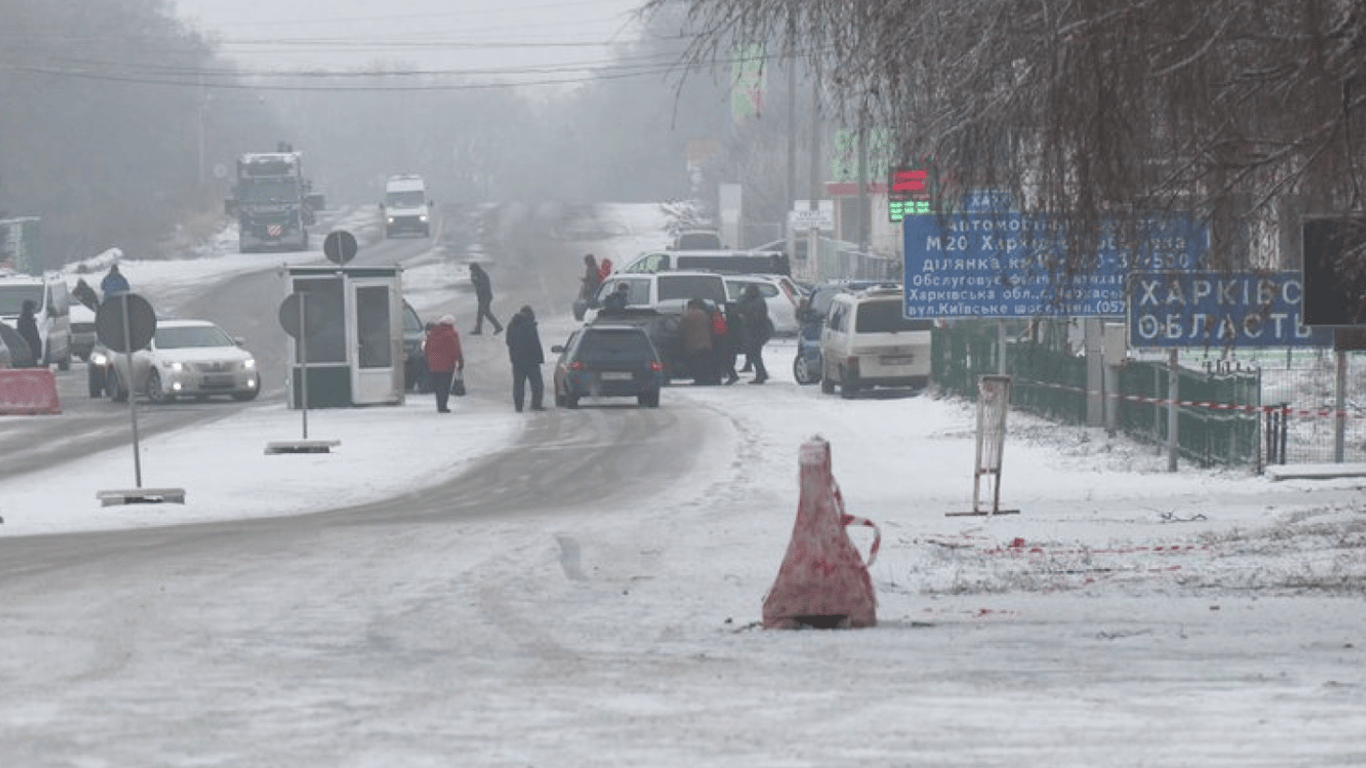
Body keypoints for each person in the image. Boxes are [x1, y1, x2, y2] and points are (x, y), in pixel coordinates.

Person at [505, 305, 545, 412]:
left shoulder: (512, 325)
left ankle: (518, 407)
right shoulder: (530, 325)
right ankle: (536, 404)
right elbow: (535, 343)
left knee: (518, 385)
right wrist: (539, 358)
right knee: (537, 384)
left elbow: (508, 341)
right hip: (532, 361)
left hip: (517, 361)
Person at [423, 315, 464, 413]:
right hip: (447, 365)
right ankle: (443, 406)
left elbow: (427, 348)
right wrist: (460, 361)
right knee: (445, 385)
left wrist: (427, 360)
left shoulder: (432, 333)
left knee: (438, 386)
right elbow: (456, 349)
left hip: (434, 365)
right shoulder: (452, 334)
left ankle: (439, 404)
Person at [738, 283, 772, 384]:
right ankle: (762, 373)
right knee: (755, 354)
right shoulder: (757, 300)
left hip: (757, 331)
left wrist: (746, 318)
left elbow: (755, 317)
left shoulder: (757, 302)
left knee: (755, 354)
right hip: (758, 331)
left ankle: (761, 375)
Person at [680, 298, 715, 385]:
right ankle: (706, 379)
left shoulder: (686, 315)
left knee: (696, 363)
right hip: (706, 343)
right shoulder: (704, 314)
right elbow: (710, 324)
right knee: (705, 363)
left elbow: (682, 329)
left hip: (693, 343)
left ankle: (698, 380)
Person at [468, 262, 503, 335]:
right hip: (482, 297)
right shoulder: (476, 275)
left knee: (486, 312)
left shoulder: (482, 275)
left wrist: (476, 281)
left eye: (472, 270)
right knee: (480, 313)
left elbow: (483, 286)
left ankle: (498, 327)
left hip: (486, 297)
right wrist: (474, 280)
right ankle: (478, 329)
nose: (471, 271)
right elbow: (476, 285)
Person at [714, 301, 742, 385]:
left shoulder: (728, 317)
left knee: (725, 359)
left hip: (726, 340)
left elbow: (721, 329)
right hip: (732, 341)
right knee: (728, 359)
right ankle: (732, 375)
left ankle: (730, 375)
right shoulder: (734, 317)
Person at [17, 299, 43, 368]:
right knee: (32, 367)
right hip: (31, 348)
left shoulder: (23, 319)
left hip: (27, 349)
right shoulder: (28, 320)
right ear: (30, 309)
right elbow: (34, 336)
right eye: (33, 308)